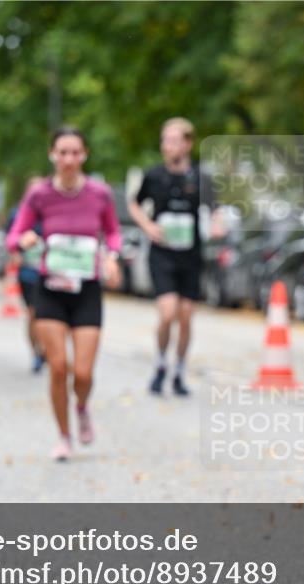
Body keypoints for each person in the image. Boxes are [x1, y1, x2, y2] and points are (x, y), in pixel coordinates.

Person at [6, 128, 122, 461]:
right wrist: (22, 241)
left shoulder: (100, 194)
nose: (69, 159)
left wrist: (112, 257)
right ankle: (63, 435)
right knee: (59, 367)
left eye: (75, 152)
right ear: (52, 155)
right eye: (62, 152)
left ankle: (82, 406)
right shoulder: (40, 195)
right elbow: (15, 235)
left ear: (84, 155)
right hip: (50, 290)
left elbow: (112, 231)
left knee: (83, 373)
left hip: (86, 289)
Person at [128, 117, 219, 397]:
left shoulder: (201, 177)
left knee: (186, 316)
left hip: (190, 255)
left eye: (173, 140)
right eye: (164, 140)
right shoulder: (154, 175)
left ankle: (179, 369)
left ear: (188, 143)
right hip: (162, 255)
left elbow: (215, 209)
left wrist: (217, 224)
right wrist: (147, 225)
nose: (167, 145)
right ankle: (159, 364)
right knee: (167, 313)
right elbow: (134, 203)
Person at [6, 176, 48, 373]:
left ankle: (48, 347)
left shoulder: (52, 212)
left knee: (49, 316)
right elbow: (10, 239)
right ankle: (36, 352)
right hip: (29, 272)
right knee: (33, 314)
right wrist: (15, 253)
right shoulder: (18, 213)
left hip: (52, 273)